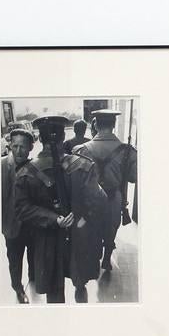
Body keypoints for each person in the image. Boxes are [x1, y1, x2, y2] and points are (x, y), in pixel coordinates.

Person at [13, 115, 107, 303]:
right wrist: (82, 218)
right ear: (63, 137)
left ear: (40, 139)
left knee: (54, 292)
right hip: (78, 236)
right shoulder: (83, 165)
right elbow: (100, 200)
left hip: (46, 239)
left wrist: (52, 218)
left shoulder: (25, 173)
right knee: (80, 281)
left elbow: (22, 209)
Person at [73, 108, 137, 273]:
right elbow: (133, 177)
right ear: (114, 124)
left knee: (92, 229)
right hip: (113, 198)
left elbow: (75, 180)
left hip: (90, 200)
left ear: (95, 124)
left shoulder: (80, 149)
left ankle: (93, 260)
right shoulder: (127, 150)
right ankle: (107, 258)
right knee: (111, 229)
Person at [0, 128, 34, 304]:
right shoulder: (0, 166)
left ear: (30, 148)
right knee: (14, 260)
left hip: (32, 225)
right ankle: (18, 288)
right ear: (10, 146)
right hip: (12, 226)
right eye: (15, 146)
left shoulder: (34, 167)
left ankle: (33, 278)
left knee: (33, 255)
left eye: (23, 147)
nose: (19, 151)